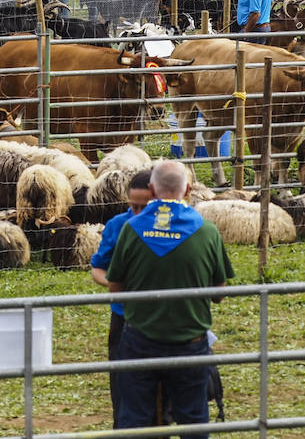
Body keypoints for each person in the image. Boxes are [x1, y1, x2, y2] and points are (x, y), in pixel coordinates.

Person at [107, 160, 234, 431]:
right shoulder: (207, 231)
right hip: (190, 340)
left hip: (140, 340)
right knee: (194, 419)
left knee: (136, 419)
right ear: (187, 189)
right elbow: (219, 293)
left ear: (151, 189)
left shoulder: (131, 229)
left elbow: (115, 286)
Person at [89, 170, 153, 428]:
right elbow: (98, 267)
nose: (137, 212)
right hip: (123, 314)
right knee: (121, 377)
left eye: (144, 207)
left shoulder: (166, 230)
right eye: (133, 206)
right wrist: (114, 285)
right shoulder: (117, 225)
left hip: (157, 315)